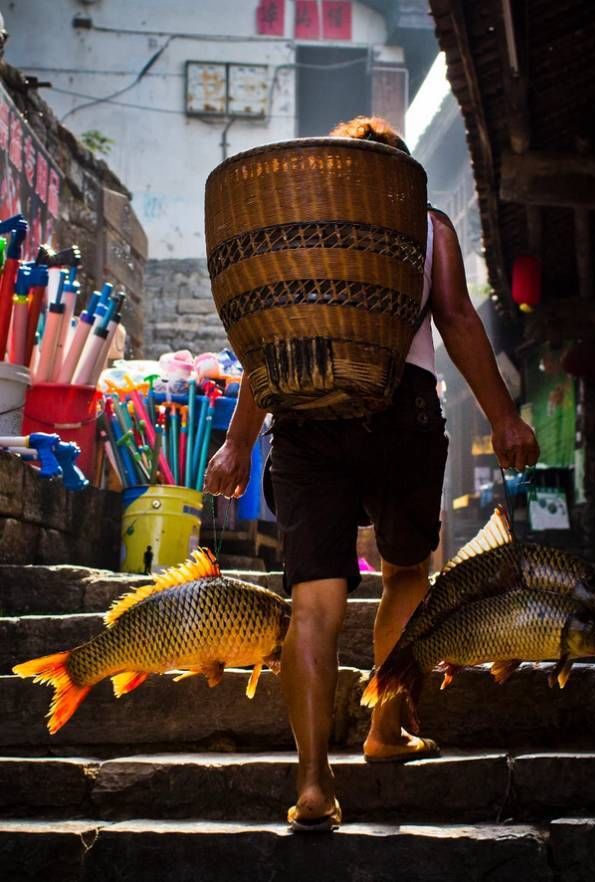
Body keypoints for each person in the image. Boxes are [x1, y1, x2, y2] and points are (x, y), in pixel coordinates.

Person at [203, 116, 539, 831]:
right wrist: (505, 417)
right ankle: (385, 728)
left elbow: (269, 344)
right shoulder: (423, 221)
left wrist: (237, 444)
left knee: (313, 605)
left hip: (304, 419)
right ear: (399, 175)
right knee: (406, 572)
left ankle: (314, 785)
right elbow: (455, 319)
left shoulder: (298, 227)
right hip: (402, 413)